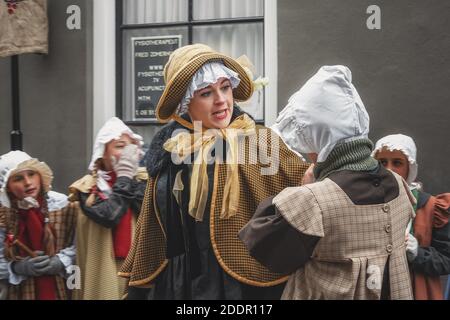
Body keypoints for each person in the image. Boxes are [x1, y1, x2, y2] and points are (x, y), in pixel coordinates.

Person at [119, 43, 309, 300]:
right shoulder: (172, 152)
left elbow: (308, 192)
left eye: (225, 87)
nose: (221, 100)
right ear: (186, 102)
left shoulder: (261, 142)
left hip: (246, 282)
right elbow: (152, 230)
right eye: (206, 93)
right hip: (181, 284)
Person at [239, 65, 416, 299]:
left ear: (317, 138)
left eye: (306, 143)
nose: (307, 152)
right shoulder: (397, 183)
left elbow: (270, 254)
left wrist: (306, 188)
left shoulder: (312, 199)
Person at [68, 117, 147, 300]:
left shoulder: (144, 182)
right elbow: (109, 215)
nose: (126, 152)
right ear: (103, 154)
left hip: (137, 267)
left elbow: (149, 211)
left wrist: (128, 178)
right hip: (104, 267)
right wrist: (124, 178)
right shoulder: (87, 188)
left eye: (129, 147)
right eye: (120, 146)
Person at [373, 134, 450, 300]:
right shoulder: (364, 201)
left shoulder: (431, 207)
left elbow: (446, 260)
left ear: (411, 167)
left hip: (416, 290)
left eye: (397, 163)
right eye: (382, 162)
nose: (389, 169)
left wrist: (418, 253)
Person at [0, 151, 76, 300]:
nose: (28, 182)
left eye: (31, 174)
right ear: (8, 186)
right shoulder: (3, 214)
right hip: (18, 290)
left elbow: (81, 244)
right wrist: (17, 267)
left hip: (64, 284)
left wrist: (61, 261)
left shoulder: (63, 204)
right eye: (18, 178)